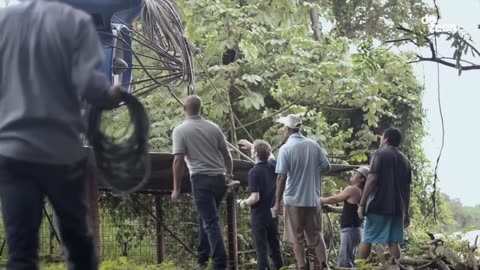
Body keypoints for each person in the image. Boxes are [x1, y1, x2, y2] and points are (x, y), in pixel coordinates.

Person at [0, 1, 122, 269]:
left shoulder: (4, 19)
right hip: (61, 153)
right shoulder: (76, 22)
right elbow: (89, 84)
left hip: (11, 154)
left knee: (21, 252)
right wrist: (110, 94)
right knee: (79, 246)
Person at [171, 95, 233, 270]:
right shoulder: (213, 127)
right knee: (204, 217)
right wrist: (229, 175)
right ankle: (202, 258)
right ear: (200, 108)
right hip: (220, 180)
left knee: (210, 221)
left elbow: (178, 160)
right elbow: (227, 155)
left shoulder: (180, 130)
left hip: (200, 180)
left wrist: (175, 188)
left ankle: (220, 263)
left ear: (184, 108)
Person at [273, 114, 331, 270]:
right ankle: (324, 266)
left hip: (293, 201)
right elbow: (327, 167)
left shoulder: (285, 149)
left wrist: (277, 202)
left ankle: (302, 266)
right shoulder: (314, 145)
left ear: (287, 129)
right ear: (300, 128)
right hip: (313, 200)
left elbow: (281, 178)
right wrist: (312, 176)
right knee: (317, 236)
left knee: (296, 239)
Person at [357, 128, 412, 260]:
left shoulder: (380, 154)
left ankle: (361, 267)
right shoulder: (405, 160)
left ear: (386, 138)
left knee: (367, 238)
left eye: (382, 137)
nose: (381, 139)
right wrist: (406, 211)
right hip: (397, 209)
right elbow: (407, 189)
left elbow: (372, 179)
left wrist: (362, 204)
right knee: (393, 242)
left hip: (378, 205)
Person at [238, 139, 284, 270]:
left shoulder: (254, 172)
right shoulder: (274, 167)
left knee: (261, 251)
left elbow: (255, 197)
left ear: (255, 153)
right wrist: (253, 146)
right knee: (275, 250)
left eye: (252, 150)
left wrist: (244, 203)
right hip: (273, 214)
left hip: (259, 217)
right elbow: (270, 155)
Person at [320, 166, 369, 268]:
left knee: (345, 262)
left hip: (350, 230)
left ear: (361, 179)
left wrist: (320, 200)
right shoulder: (362, 192)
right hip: (356, 229)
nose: (353, 174)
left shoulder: (352, 189)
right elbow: (349, 210)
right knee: (350, 259)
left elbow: (334, 198)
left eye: (356, 173)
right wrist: (332, 209)